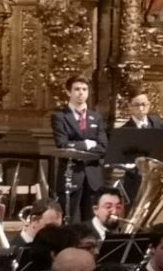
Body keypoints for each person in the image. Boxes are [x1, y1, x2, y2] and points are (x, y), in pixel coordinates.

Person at [50, 76, 107, 221]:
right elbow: (62, 144)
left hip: (93, 177)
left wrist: (76, 146)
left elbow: (103, 147)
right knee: (71, 220)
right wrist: (88, 144)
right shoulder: (60, 117)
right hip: (71, 175)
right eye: (76, 89)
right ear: (68, 92)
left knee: (92, 222)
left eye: (84, 89)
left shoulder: (96, 117)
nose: (81, 93)